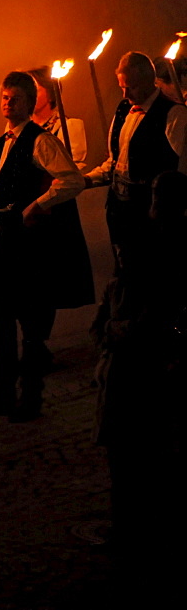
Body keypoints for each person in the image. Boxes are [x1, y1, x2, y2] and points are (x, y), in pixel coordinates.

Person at [0, 72, 94, 423]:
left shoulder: (42, 141)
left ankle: (31, 397)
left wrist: (37, 205)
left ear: (28, 102)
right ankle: (2, 393)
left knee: (31, 323)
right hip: (2, 241)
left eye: (15, 98)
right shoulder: (0, 143)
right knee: (2, 320)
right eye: (4, 97)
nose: (7, 103)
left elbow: (72, 180)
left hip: (28, 246)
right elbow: (0, 191)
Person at [90, 170, 187, 584]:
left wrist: (121, 332)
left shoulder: (162, 260)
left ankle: (148, 527)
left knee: (148, 450)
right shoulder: (132, 265)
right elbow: (104, 322)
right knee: (126, 454)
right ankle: (130, 524)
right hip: (125, 374)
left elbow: (152, 318)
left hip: (147, 371)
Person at [83, 51, 187, 270]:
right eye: (122, 86)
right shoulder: (124, 109)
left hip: (149, 216)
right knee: (123, 276)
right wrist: (85, 180)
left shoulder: (173, 113)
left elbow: (176, 172)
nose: (125, 93)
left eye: (131, 87)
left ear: (150, 81)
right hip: (119, 213)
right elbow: (115, 161)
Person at [26, 66, 89, 172]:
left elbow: (71, 170)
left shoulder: (67, 127)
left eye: (35, 90)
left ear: (51, 94)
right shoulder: (19, 126)